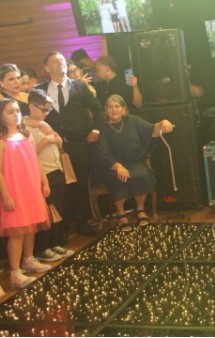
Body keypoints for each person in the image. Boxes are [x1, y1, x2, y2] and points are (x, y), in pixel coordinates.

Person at [37, 51, 104, 237]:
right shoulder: (40, 90)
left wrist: (96, 130)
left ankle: (83, 223)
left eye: (62, 60)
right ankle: (62, 229)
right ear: (46, 68)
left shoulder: (79, 86)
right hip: (53, 147)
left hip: (79, 143)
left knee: (80, 185)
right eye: (54, 61)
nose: (60, 63)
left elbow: (98, 109)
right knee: (60, 187)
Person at [92, 95, 174, 232]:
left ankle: (140, 209)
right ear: (106, 110)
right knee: (115, 178)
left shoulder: (133, 121)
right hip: (111, 165)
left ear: (124, 109)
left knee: (142, 174)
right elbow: (101, 152)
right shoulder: (102, 126)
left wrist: (163, 123)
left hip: (134, 162)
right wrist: (117, 166)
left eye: (117, 106)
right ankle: (121, 214)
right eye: (110, 107)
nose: (114, 110)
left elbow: (152, 130)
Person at [0, 98, 52, 288]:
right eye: (10, 112)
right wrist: (6, 195)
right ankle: (14, 272)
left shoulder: (26, 135)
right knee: (18, 231)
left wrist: (44, 181)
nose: (16, 114)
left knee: (31, 226)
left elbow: (35, 160)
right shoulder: (2, 141)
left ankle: (28, 259)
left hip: (31, 188)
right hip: (15, 190)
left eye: (17, 111)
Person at [24, 89, 74, 262]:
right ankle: (42, 248)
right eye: (44, 109)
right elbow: (28, 154)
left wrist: (58, 141)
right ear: (32, 106)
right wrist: (46, 140)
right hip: (43, 173)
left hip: (56, 169)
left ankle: (55, 242)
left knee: (58, 209)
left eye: (49, 110)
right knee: (48, 211)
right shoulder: (25, 127)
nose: (46, 113)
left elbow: (56, 145)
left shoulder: (44, 123)